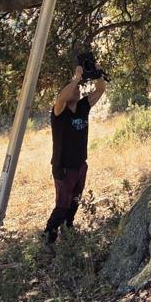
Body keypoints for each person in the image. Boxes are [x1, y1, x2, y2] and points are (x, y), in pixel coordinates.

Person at [43, 58, 106, 250]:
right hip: (63, 166)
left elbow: (100, 90)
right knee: (62, 204)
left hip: (80, 164)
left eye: (79, 87)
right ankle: (49, 237)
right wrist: (77, 77)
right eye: (74, 88)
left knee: (75, 201)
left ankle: (68, 230)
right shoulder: (59, 112)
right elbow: (63, 97)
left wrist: (98, 73)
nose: (78, 90)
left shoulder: (82, 108)